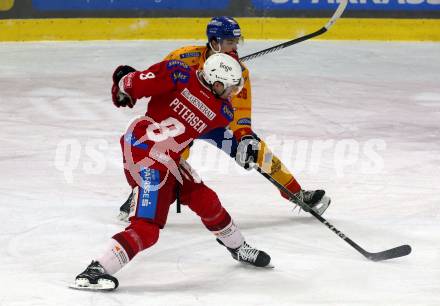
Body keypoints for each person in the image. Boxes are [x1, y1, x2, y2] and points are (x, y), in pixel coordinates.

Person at [72, 53, 273, 291]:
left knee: (206, 200)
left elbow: (218, 135)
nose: (233, 93)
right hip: (144, 154)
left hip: (170, 159)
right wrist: (124, 84)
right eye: (230, 87)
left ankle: (238, 248)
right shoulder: (178, 73)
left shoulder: (223, 110)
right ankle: (96, 270)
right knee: (147, 229)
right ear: (216, 83)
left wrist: (241, 150)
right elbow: (134, 83)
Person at [118, 16, 330, 222]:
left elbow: (241, 114)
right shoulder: (182, 58)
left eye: (236, 42)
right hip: (180, 120)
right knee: (165, 153)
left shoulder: (239, 73)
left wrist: (245, 137)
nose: (235, 47)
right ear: (214, 43)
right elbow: (158, 83)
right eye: (230, 42)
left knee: (258, 152)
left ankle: (297, 194)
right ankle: (141, 192)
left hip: (215, 124)